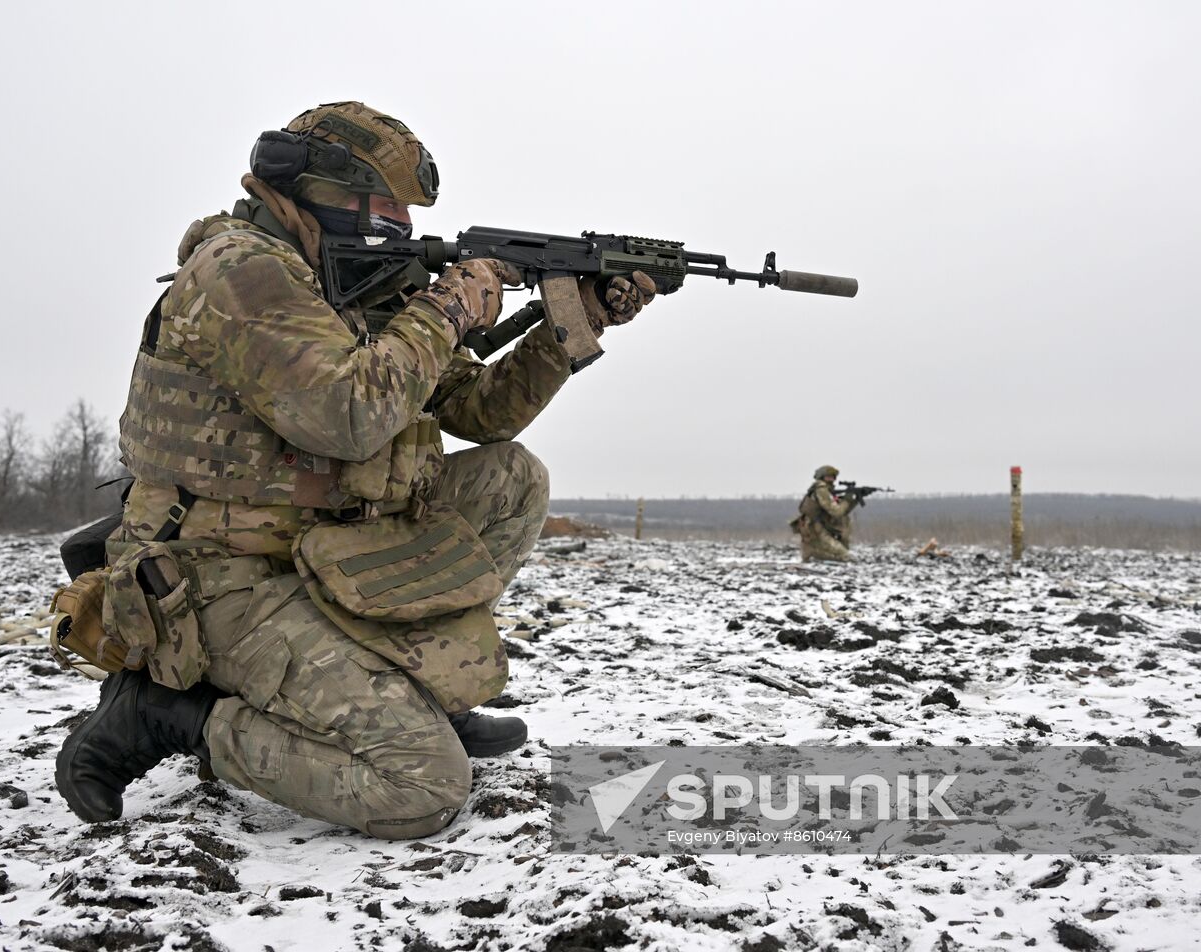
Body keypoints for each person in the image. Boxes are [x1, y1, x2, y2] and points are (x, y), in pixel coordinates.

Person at [54, 101, 657, 839]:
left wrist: (574, 322)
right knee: (420, 787)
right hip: (220, 574)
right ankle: (166, 717)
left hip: (324, 548)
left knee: (511, 478)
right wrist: (451, 305)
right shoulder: (240, 270)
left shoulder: (360, 285)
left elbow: (478, 412)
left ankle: (418, 692)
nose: (400, 223)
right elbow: (345, 416)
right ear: (322, 193)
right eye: (385, 205)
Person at [793, 464, 858, 562]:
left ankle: (812, 554)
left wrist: (854, 500)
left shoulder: (827, 491)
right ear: (821, 477)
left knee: (842, 556)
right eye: (828, 477)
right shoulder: (821, 490)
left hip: (822, 527)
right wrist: (847, 499)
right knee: (844, 556)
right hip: (815, 529)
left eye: (833, 477)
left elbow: (843, 512)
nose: (831, 479)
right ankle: (811, 553)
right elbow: (837, 512)